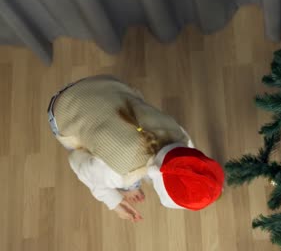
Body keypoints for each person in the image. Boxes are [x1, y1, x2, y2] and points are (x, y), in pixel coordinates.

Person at [47, 75, 224, 222]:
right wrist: (115, 201)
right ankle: (133, 183)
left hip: (103, 85)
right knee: (83, 149)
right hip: (62, 108)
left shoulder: (176, 131)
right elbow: (78, 163)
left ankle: (134, 182)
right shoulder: (119, 174)